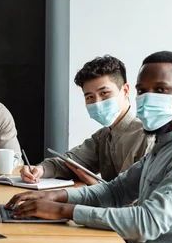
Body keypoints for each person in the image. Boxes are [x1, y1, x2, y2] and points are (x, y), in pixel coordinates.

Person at [6, 51, 172, 243]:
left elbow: (148, 222)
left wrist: (62, 210)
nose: (147, 99)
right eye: (143, 90)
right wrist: (54, 197)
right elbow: (115, 191)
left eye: (160, 89)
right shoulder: (163, 142)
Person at [21, 55, 153, 185]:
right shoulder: (103, 136)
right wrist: (40, 169)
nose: (97, 102)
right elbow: (69, 162)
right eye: (89, 97)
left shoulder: (147, 136)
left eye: (104, 93)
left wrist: (98, 188)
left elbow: (145, 199)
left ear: (125, 90)